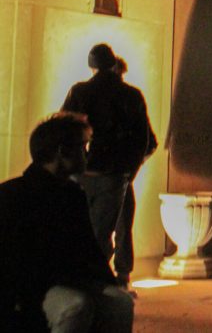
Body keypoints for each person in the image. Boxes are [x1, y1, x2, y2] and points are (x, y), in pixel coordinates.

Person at [0, 113, 134, 332]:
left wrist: (105, 282)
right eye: (82, 147)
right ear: (62, 152)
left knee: (120, 302)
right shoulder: (13, 195)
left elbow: (87, 249)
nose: (87, 154)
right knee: (75, 305)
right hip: (28, 289)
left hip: (64, 280)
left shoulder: (72, 194)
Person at [61, 43, 154, 263]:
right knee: (107, 230)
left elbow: (63, 128)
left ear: (92, 67)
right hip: (115, 172)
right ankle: (105, 278)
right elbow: (144, 139)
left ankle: (86, 278)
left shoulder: (80, 91)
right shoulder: (131, 95)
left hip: (84, 170)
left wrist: (70, 164)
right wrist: (129, 171)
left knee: (81, 229)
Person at [109, 57, 158, 293]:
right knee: (122, 225)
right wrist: (132, 168)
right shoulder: (132, 96)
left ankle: (108, 276)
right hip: (123, 173)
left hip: (103, 172)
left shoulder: (90, 94)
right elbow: (148, 142)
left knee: (105, 226)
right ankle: (122, 276)